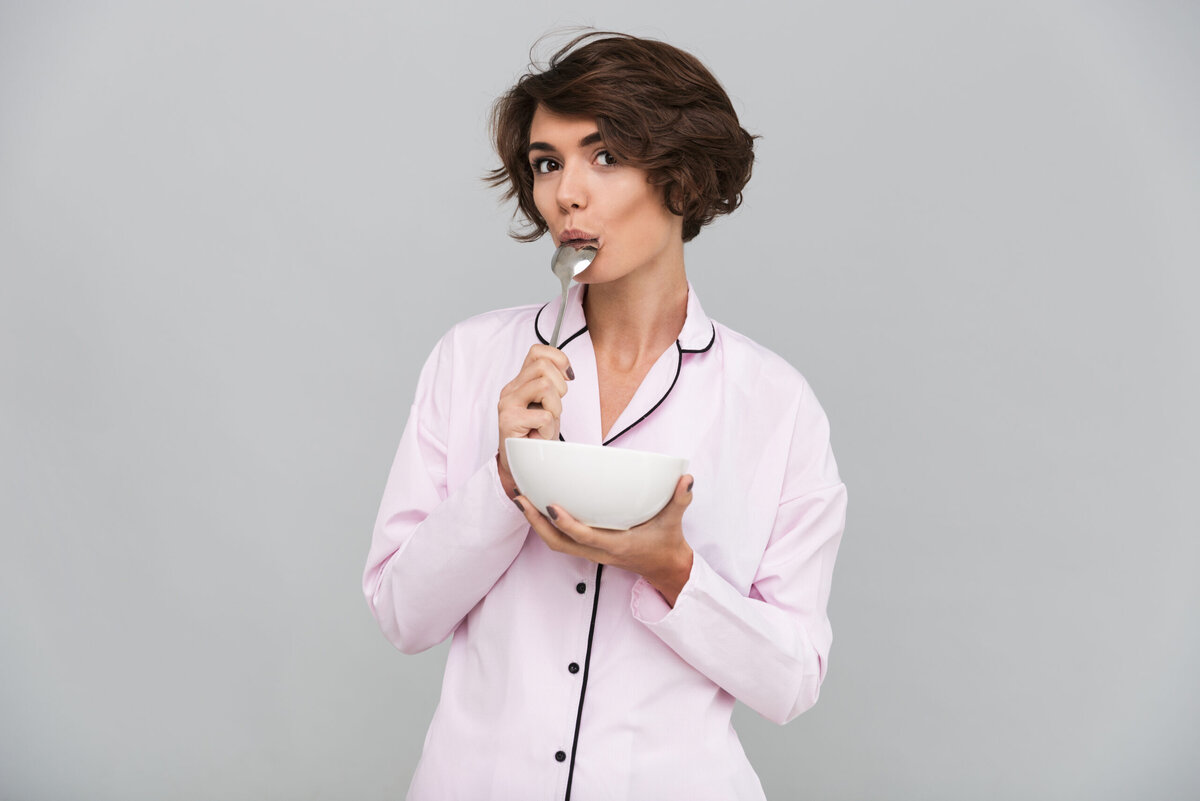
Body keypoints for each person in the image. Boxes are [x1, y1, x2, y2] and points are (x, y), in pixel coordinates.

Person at [363, 31, 847, 800]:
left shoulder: (775, 406)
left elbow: (790, 681)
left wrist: (670, 566)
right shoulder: (470, 360)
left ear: (682, 181)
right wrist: (501, 479)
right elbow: (402, 614)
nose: (566, 194)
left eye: (606, 156)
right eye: (547, 162)